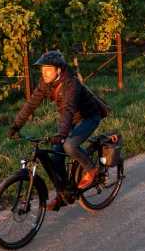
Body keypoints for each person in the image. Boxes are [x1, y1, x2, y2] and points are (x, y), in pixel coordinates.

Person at [7, 50, 107, 193]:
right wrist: (16, 126)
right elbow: (31, 104)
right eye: (42, 69)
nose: (44, 73)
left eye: (48, 69)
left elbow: (68, 108)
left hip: (89, 117)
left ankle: (91, 169)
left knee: (69, 146)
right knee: (55, 159)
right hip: (71, 120)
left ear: (58, 70)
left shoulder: (71, 83)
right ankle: (66, 191)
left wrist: (62, 134)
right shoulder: (45, 83)